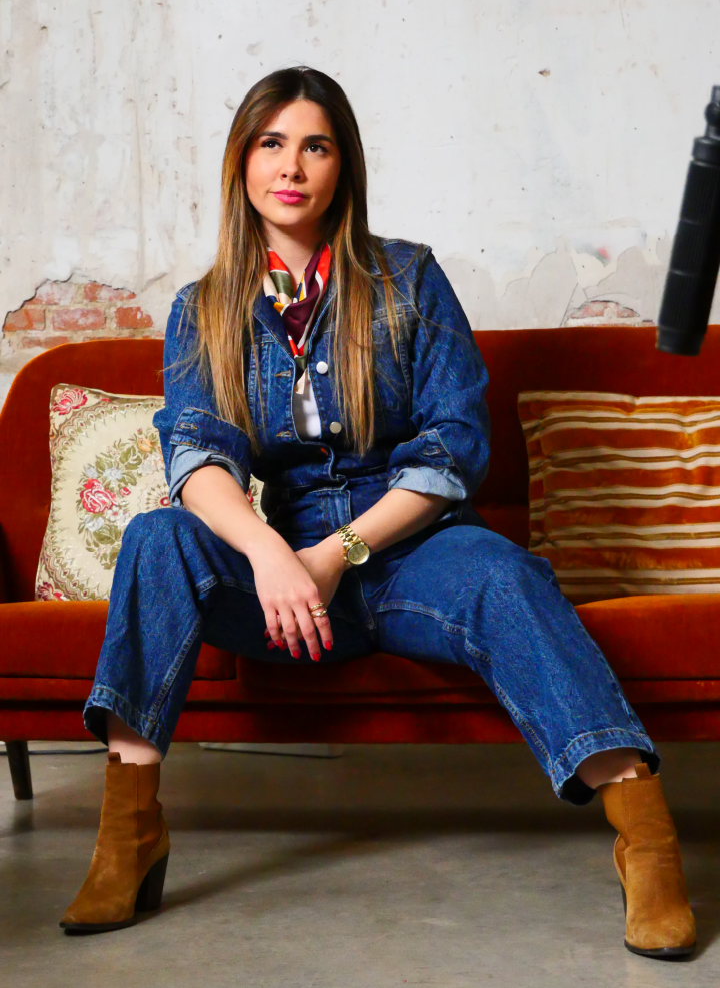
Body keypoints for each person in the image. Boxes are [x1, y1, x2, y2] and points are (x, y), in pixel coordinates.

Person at [60, 67, 696, 959]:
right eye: (271, 143)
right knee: (156, 540)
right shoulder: (202, 309)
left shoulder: (408, 279)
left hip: (407, 555)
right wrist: (275, 555)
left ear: (343, 165)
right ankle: (129, 834)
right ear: (242, 161)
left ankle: (648, 842)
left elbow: (454, 448)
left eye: (315, 146)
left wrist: (338, 553)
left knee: (503, 572)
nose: (292, 166)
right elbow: (197, 458)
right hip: (280, 575)